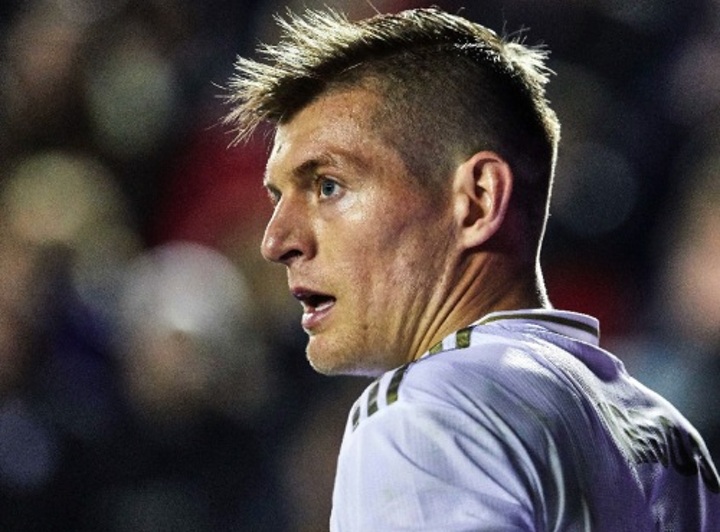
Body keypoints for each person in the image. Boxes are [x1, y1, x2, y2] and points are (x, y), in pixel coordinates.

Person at [224, 7, 720, 531]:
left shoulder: (429, 413)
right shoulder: (670, 439)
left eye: (329, 186)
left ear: (478, 198)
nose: (276, 241)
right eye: (278, 196)